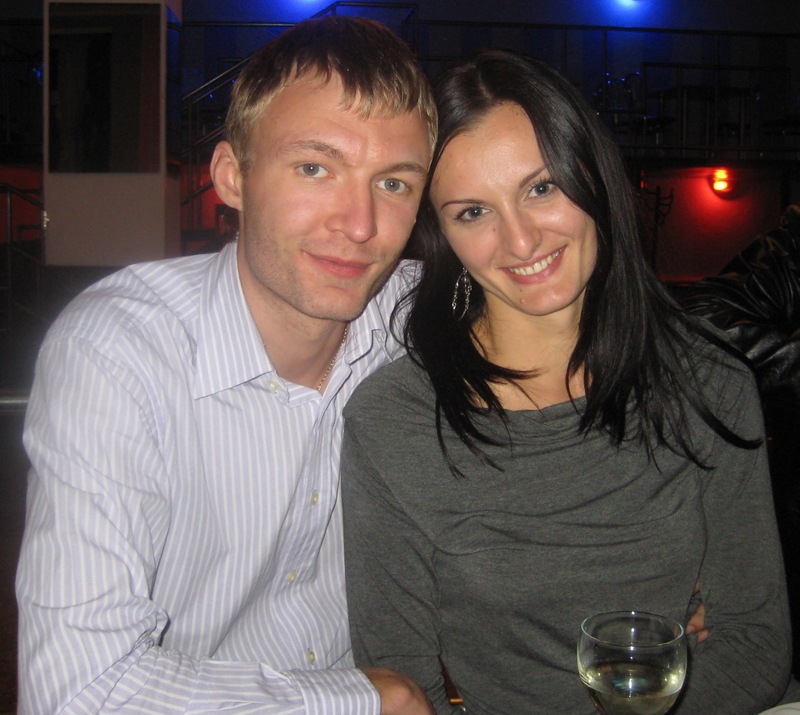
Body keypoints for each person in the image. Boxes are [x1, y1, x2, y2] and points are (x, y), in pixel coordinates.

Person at [340, 50, 792, 714]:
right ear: (442, 236)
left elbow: (755, 645)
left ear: (594, 177)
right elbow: (401, 682)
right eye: (472, 212)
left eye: (542, 188)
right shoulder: (395, 421)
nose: (521, 241)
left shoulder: (708, 380)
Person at [16, 16, 438, 714]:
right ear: (232, 177)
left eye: (393, 183)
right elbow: (79, 692)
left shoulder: (419, 315)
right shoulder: (119, 352)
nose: (360, 224)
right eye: (315, 168)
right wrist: (367, 699)